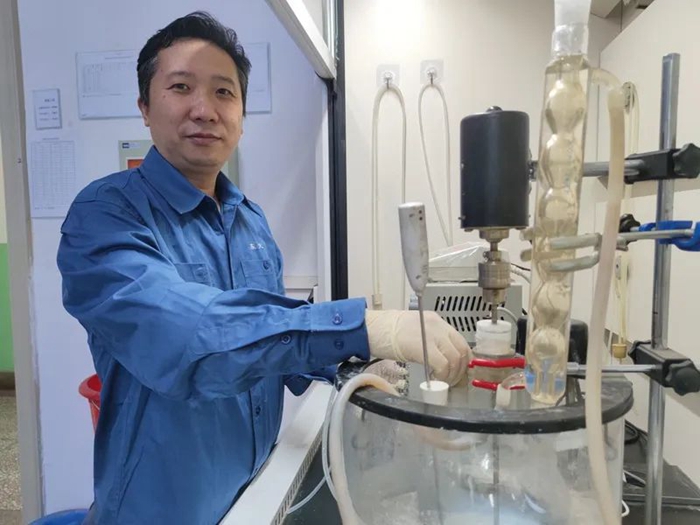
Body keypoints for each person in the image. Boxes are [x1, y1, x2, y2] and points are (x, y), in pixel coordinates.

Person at [57, 12, 470, 525]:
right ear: (144, 107)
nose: (204, 109)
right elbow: (184, 336)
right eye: (181, 87)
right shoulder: (105, 215)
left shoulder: (249, 221)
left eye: (224, 93)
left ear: (241, 114)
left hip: (256, 498)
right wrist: (362, 327)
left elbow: (268, 342)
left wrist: (350, 367)